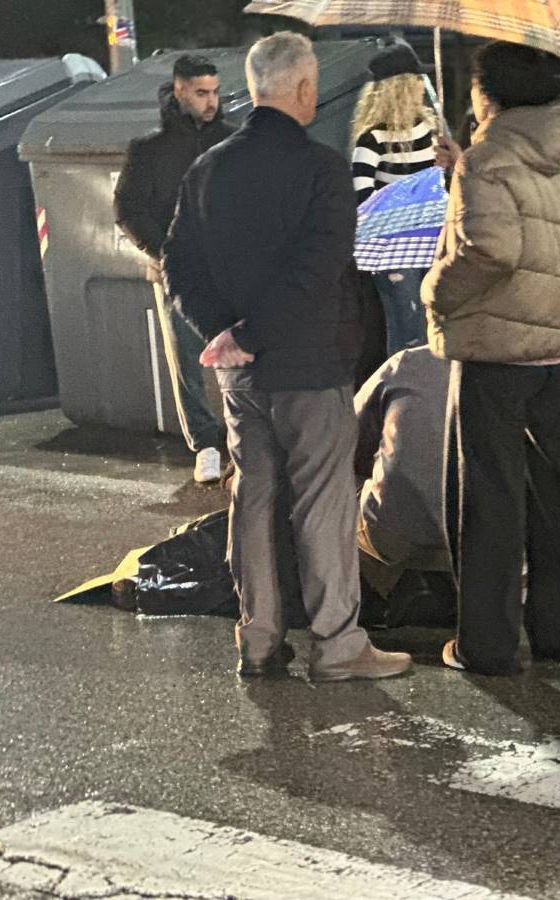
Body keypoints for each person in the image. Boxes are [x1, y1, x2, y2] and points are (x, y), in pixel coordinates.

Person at [163, 32, 413, 680]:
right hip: (309, 363)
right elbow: (316, 271)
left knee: (254, 499)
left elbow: (177, 264)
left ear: (252, 88)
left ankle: (259, 637)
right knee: (323, 505)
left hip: (240, 375)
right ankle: (337, 643)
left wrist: (222, 330)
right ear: (304, 90)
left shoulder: (208, 168)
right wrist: (251, 332)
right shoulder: (322, 171)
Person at [422, 41, 560, 676]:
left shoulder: (491, 157)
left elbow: (492, 252)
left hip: (497, 353)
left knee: (490, 500)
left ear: (485, 94)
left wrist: (434, 289)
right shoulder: (557, 149)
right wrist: (462, 171)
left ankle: (487, 643)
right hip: (558, 348)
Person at [114, 55, 231, 483]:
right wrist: (164, 252)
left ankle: (241, 438)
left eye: (215, 92)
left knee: (239, 354)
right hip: (175, 270)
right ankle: (206, 445)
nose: (211, 101)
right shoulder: (150, 150)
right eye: (201, 92)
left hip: (227, 269)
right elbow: (128, 208)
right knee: (186, 360)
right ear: (179, 90)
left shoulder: (232, 141)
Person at [353, 346, 455, 626]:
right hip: (481, 539)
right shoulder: (513, 367)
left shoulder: (405, 364)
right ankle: (442, 584)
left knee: (333, 485)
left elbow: (347, 439)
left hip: (394, 534)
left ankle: (388, 587)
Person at [351, 40, 438, 355]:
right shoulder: (374, 138)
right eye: (415, 81)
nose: (420, 87)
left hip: (420, 244)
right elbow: (364, 199)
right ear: (402, 86)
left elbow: (440, 184)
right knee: (409, 328)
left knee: (421, 327)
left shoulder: (430, 130)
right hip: (399, 247)